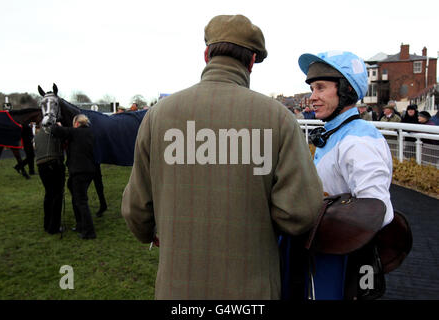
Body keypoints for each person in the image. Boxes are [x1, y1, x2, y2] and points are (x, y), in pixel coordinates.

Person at [121, 14, 323, 300]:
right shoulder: (278, 118)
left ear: (206, 55)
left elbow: (136, 211)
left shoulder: (158, 115)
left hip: (176, 289)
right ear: (252, 61)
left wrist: (156, 230)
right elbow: (301, 212)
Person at [298, 50, 394, 300]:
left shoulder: (357, 141)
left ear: (345, 90)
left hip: (341, 259)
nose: (313, 97)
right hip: (327, 250)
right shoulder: (337, 133)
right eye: (312, 89)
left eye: (320, 88)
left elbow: (377, 210)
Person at [51, 114, 97, 239]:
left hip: (79, 171)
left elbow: (56, 131)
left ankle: (89, 231)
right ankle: (80, 224)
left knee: (81, 201)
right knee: (74, 192)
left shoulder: (76, 132)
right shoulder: (90, 133)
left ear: (77, 123)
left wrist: (58, 124)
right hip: (88, 170)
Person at [34, 125, 65, 234]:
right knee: (57, 195)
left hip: (41, 166)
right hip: (53, 163)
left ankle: (47, 223)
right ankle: (54, 227)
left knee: (49, 194)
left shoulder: (37, 135)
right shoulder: (53, 132)